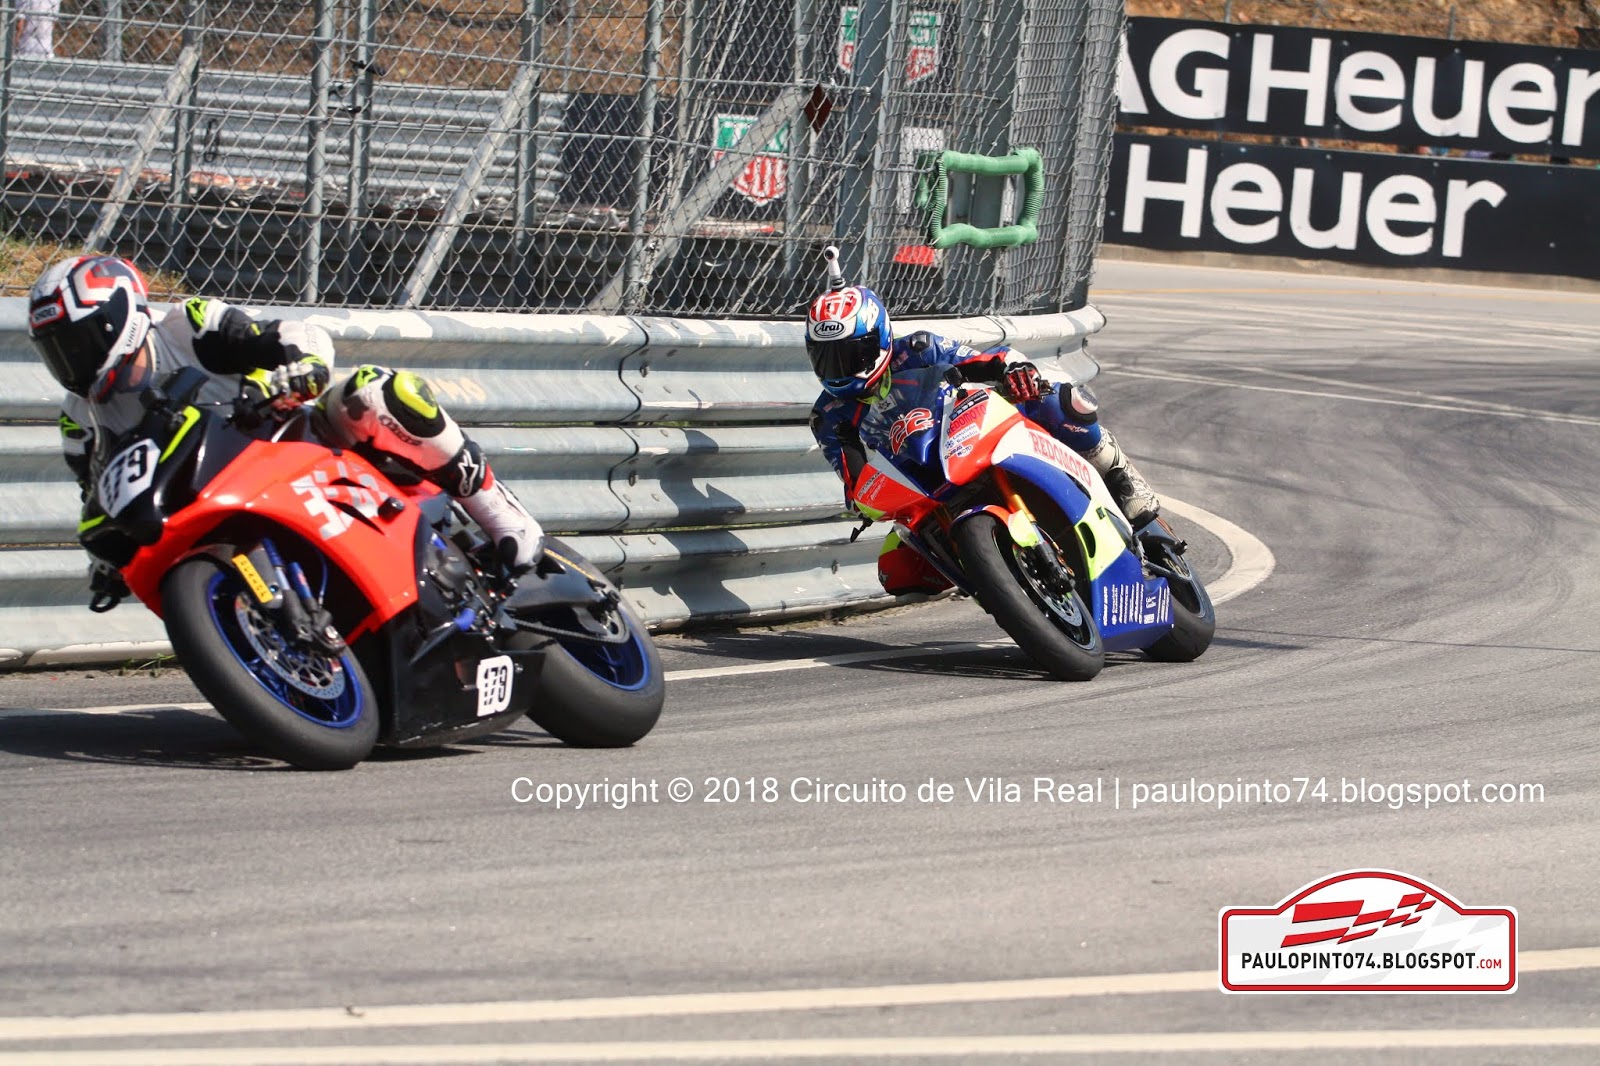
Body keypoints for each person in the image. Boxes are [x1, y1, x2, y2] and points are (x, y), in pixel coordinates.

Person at [28, 255, 544, 596]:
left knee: (375, 392)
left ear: (118, 317)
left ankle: (497, 510)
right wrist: (106, 560)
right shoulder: (80, 419)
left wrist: (303, 368)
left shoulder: (188, 326)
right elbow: (97, 494)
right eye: (56, 351)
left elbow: (291, 333)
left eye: (76, 343)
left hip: (292, 447)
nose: (69, 361)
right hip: (211, 507)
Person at [805, 283, 1161, 592]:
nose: (839, 368)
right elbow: (855, 481)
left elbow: (985, 360)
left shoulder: (917, 349)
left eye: (851, 354)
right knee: (897, 570)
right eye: (826, 357)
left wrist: (1013, 371)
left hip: (964, 435)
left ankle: (1120, 477)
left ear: (879, 339)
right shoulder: (829, 415)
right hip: (920, 482)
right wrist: (867, 498)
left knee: (1060, 401)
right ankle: (992, 584)